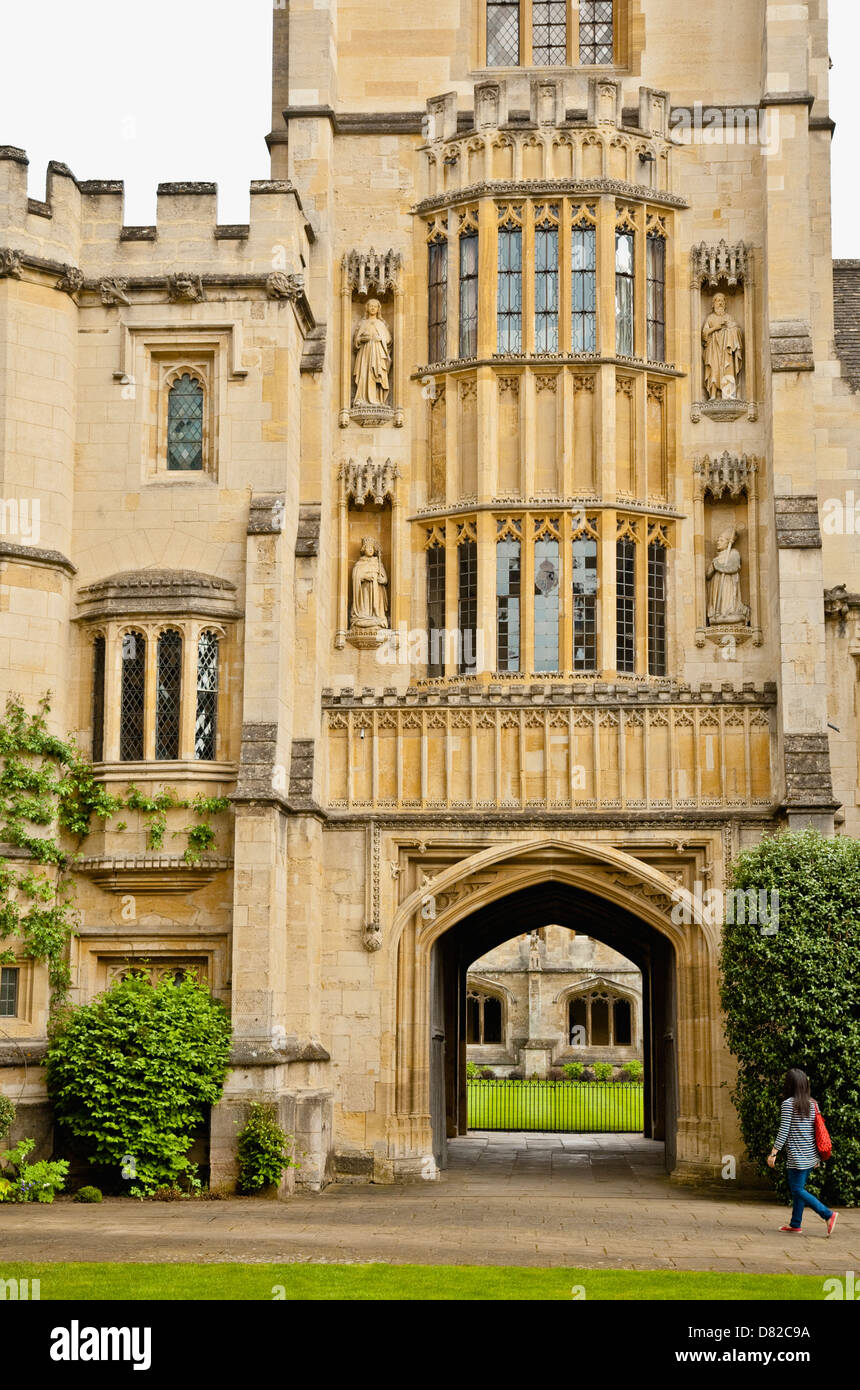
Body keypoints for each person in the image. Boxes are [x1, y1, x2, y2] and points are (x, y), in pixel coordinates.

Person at [767, 1068, 837, 1236]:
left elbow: (784, 1131)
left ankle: (828, 1214)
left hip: (797, 1157)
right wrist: (818, 1157)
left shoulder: (788, 1104)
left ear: (789, 1085)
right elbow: (816, 1132)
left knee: (798, 1190)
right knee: (799, 1189)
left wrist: (773, 1153)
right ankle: (795, 1224)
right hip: (810, 1156)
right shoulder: (813, 1104)